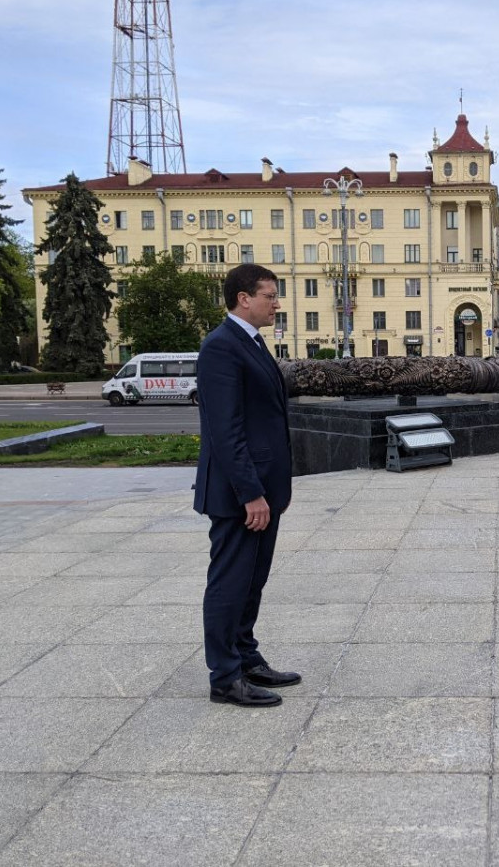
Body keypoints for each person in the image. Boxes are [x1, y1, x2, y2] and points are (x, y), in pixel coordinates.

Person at [194, 263, 298, 708]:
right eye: (269, 295)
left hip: (263, 490)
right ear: (243, 298)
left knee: (252, 580)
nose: (276, 303)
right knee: (230, 582)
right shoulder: (220, 347)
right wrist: (251, 493)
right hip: (241, 494)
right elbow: (225, 430)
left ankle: (246, 656)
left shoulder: (250, 342)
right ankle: (225, 677)